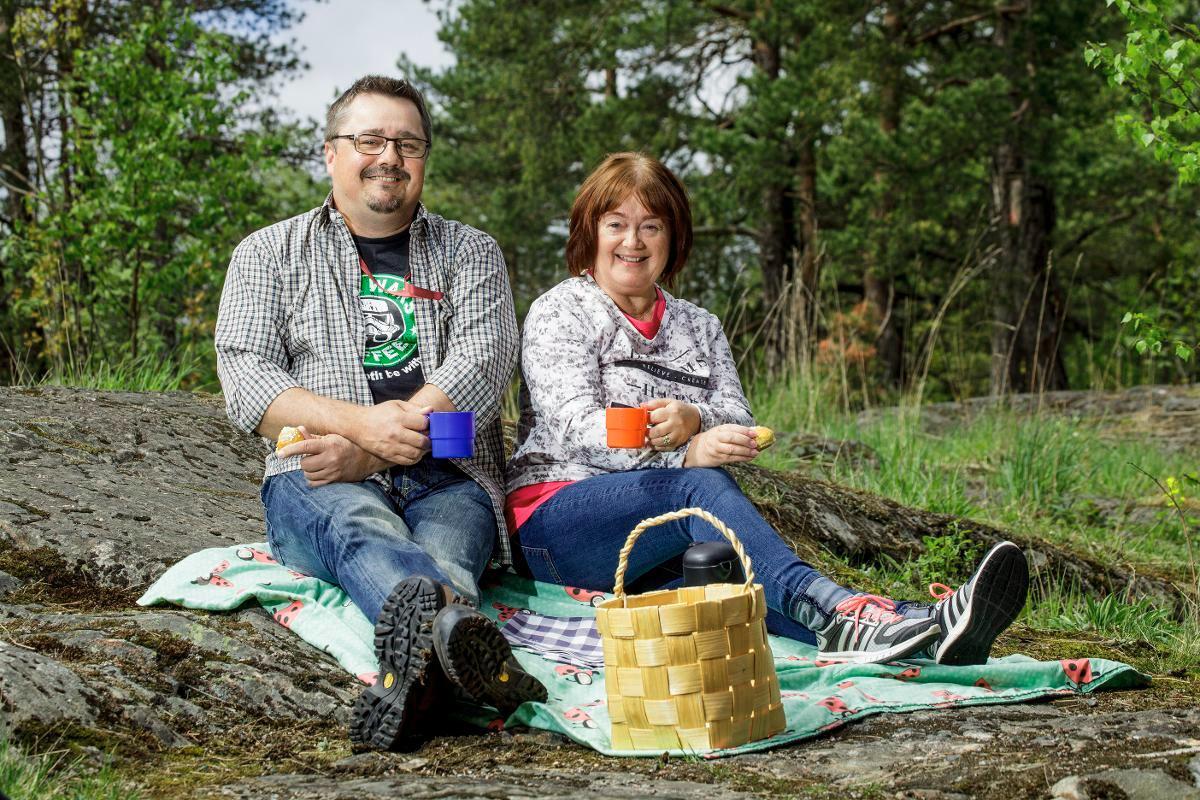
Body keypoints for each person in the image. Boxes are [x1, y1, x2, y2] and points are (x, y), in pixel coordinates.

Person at [506, 152, 1029, 666]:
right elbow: (576, 428)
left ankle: (921, 628)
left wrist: (695, 418)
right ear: (589, 232)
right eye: (616, 224)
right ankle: (839, 610)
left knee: (734, 586)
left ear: (674, 237)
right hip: (557, 522)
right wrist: (682, 455)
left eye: (652, 226)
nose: (633, 242)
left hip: (653, 535)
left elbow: (738, 415)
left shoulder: (700, 325)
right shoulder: (561, 310)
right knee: (699, 492)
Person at [215, 75, 544, 751]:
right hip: (323, 477)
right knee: (362, 530)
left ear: (424, 158)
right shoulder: (267, 253)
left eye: (407, 142)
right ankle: (462, 648)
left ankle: (417, 681)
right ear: (331, 152)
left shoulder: (471, 251)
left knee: (448, 554)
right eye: (370, 138)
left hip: (451, 475)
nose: (389, 155)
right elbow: (247, 378)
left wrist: (379, 443)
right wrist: (360, 429)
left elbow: (484, 362)